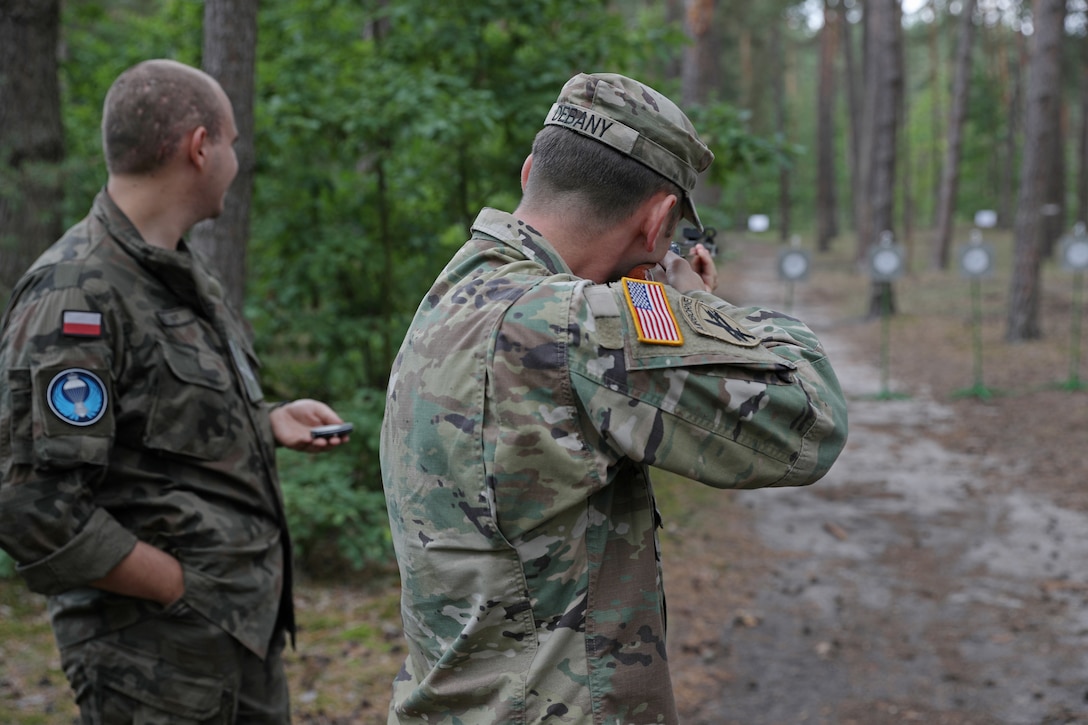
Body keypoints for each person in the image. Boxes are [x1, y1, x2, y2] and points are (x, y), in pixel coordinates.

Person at [379, 72, 849, 724]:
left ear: (529, 173)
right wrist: (701, 307)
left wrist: (654, 300)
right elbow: (811, 420)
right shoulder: (578, 327)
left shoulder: (459, 288)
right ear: (658, 220)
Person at [0, 59, 349, 723]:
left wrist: (266, 418)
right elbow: (32, 503)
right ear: (199, 146)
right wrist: (179, 585)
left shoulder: (180, 272)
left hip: (234, 634)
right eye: (233, 143)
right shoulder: (76, 292)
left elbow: (145, 424)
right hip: (156, 661)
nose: (236, 160)